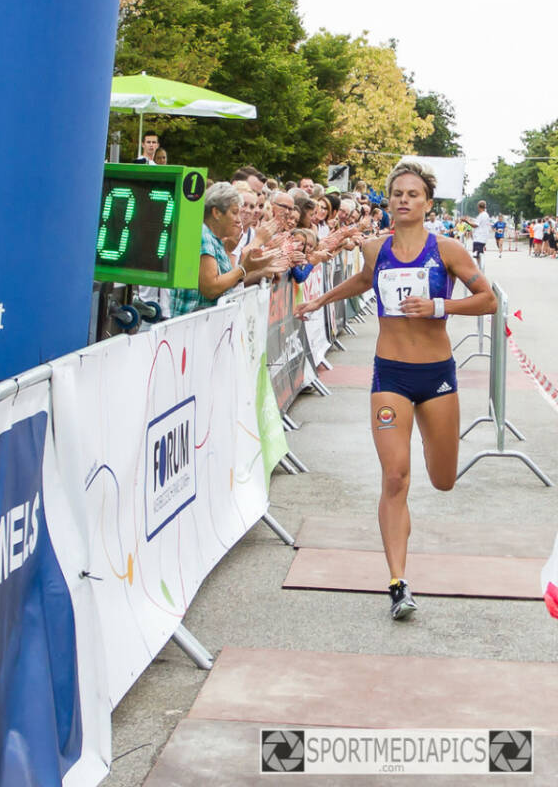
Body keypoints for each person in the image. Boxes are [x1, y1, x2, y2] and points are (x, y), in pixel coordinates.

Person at [297, 160, 495, 621]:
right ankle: (397, 583)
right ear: (389, 200)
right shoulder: (373, 248)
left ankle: (430, 443)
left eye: (413, 194)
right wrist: (320, 300)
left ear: (428, 202)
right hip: (390, 376)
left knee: (443, 480)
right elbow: (364, 281)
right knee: (395, 477)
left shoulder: (447, 249)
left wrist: (438, 305)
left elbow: (488, 298)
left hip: (437, 377)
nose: (403, 200)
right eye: (397, 193)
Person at [170, 183, 277, 316]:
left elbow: (223, 284)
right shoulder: (203, 235)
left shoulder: (214, 239)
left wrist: (247, 269)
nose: (238, 220)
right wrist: (243, 269)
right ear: (216, 213)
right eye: (234, 213)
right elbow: (211, 288)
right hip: (192, 327)